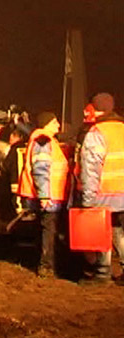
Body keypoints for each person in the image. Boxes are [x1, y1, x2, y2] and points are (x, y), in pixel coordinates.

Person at [79, 93, 124, 285]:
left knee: (103, 232)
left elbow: (91, 168)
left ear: (95, 109)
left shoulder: (97, 132)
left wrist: (88, 200)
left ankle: (103, 273)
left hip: (106, 192)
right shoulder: (122, 128)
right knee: (119, 231)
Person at [18, 112, 69, 278]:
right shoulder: (43, 140)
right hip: (49, 196)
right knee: (48, 230)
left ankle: (44, 264)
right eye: (54, 122)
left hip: (49, 194)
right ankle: (46, 266)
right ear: (46, 124)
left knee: (45, 229)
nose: (58, 125)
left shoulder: (45, 140)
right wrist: (44, 196)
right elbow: (40, 169)